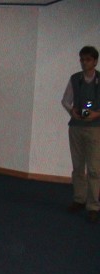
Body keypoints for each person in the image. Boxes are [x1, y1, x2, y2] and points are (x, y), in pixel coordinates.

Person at [61, 46, 100, 224]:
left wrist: (96, 114)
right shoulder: (75, 78)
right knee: (78, 166)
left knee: (94, 169)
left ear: (95, 61)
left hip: (95, 128)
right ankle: (79, 199)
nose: (84, 63)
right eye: (82, 59)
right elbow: (65, 100)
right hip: (76, 127)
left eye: (88, 60)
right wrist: (72, 112)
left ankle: (93, 206)